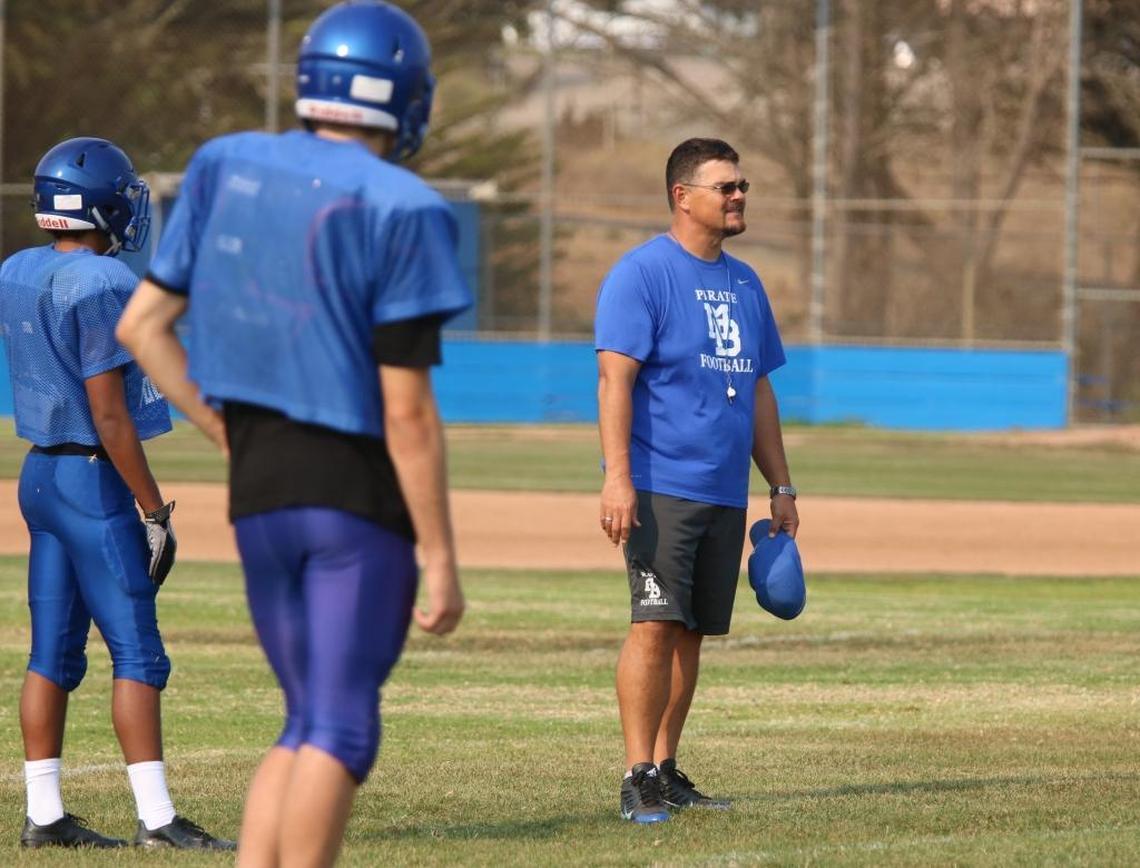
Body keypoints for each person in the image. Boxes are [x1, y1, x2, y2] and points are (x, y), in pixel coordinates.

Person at [116, 2, 471, 864]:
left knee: (304, 721)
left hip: (259, 485)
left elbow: (143, 328)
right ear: (406, 96)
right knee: (342, 731)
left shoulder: (227, 163)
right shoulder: (401, 205)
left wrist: (219, 428)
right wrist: (441, 553)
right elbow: (407, 411)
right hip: (353, 492)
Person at [0, 136, 233, 850]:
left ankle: (44, 815)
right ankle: (158, 821)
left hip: (39, 474)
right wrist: (152, 508)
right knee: (137, 653)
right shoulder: (101, 284)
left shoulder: (18, 267)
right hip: (91, 478)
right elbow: (110, 414)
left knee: (52, 654)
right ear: (100, 202)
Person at [594, 137, 800, 824]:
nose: (740, 196)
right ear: (684, 196)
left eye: (743, 186)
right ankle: (636, 774)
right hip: (660, 484)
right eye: (726, 187)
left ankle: (667, 767)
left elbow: (759, 388)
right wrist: (617, 479)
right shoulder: (642, 274)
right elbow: (614, 379)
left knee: (690, 634)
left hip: (722, 489)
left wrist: (781, 485)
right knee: (653, 625)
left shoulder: (745, 282)